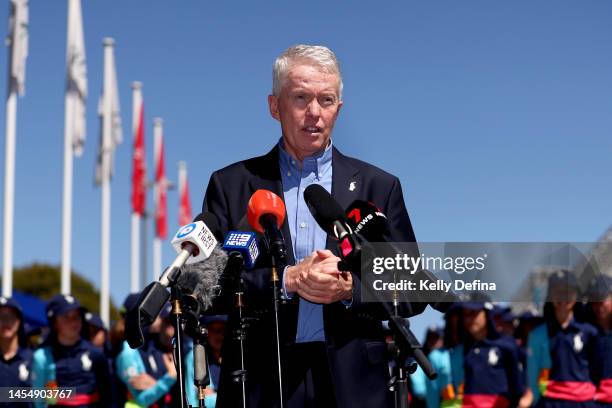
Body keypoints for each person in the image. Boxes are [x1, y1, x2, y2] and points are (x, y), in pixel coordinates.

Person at [203, 44, 425, 408]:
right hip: (260, 380)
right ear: (275, 106)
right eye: (301, 98)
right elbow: (209, 289)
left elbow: (414, 289)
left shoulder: (379, 186)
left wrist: (352, 288)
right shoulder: (231, 184)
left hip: (355, 383)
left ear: (339, 108)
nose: (314, 113)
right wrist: (287, 280)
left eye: (326, 100)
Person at [520, 270, 598, 408]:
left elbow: (596, 370)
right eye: (557, 291)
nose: (563, 297)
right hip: (552, 402)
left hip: (584, 402)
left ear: (576, 295)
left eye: (567, 291)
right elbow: (534, 374)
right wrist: (531, 397)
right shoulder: (538, 335)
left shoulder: (589, 332)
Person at [32, 294, 110, 407]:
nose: (73, 321)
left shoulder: (96, 354)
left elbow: (107, 396)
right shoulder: (43, 357)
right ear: (54, 323)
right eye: (66, 317)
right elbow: (39, 399)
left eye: (77, 316)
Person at [448, 301, 522, 408]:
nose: (468, 319)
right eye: (465, 315)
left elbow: (517, 387)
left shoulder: (506, 346)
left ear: (486, 314)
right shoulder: (459, 352)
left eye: (473, 313)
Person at [0, 296, 33, 408]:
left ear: (19, 321)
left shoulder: (34, 359)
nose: (6, 321)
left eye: (11, 316)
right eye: (1, 316)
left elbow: (51, 398)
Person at [585, 274, 612, 406]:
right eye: (593, 301)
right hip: (593, 401)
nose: (598, 306)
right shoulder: (585, 333)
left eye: (602, 300)